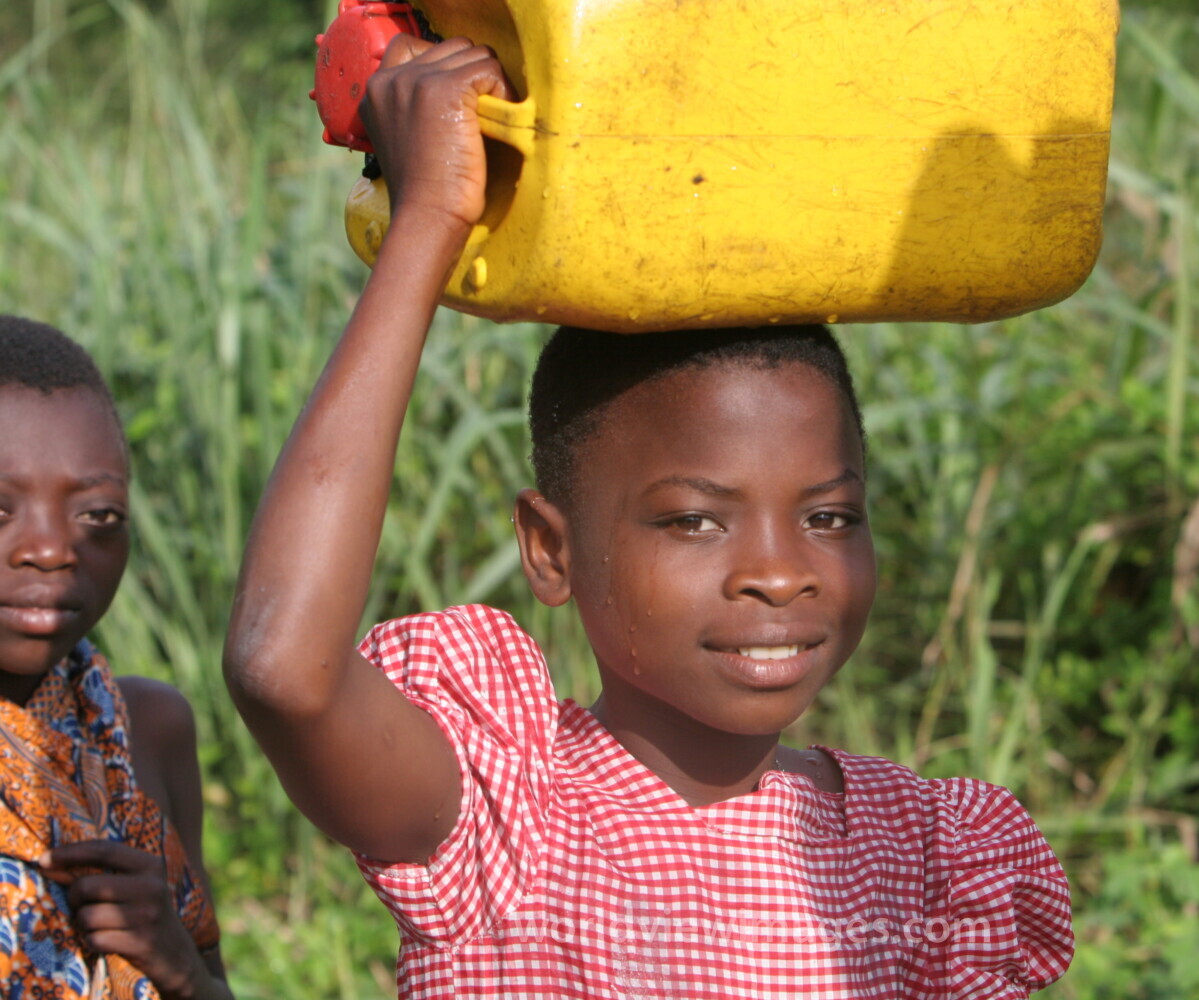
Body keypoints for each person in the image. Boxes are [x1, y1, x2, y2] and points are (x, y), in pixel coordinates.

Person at [222, 36, 1072, 1000]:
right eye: (695, 522)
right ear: (551, 550)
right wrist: (429, 219)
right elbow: (285, 668)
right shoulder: (506, 820)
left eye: (830, 518)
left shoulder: (927, 857)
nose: (780, 571)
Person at [0, 317, 230, 999]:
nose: (50, 549)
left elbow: (214, 986)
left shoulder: (147, 731)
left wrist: (178, 965)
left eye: (97, 515)